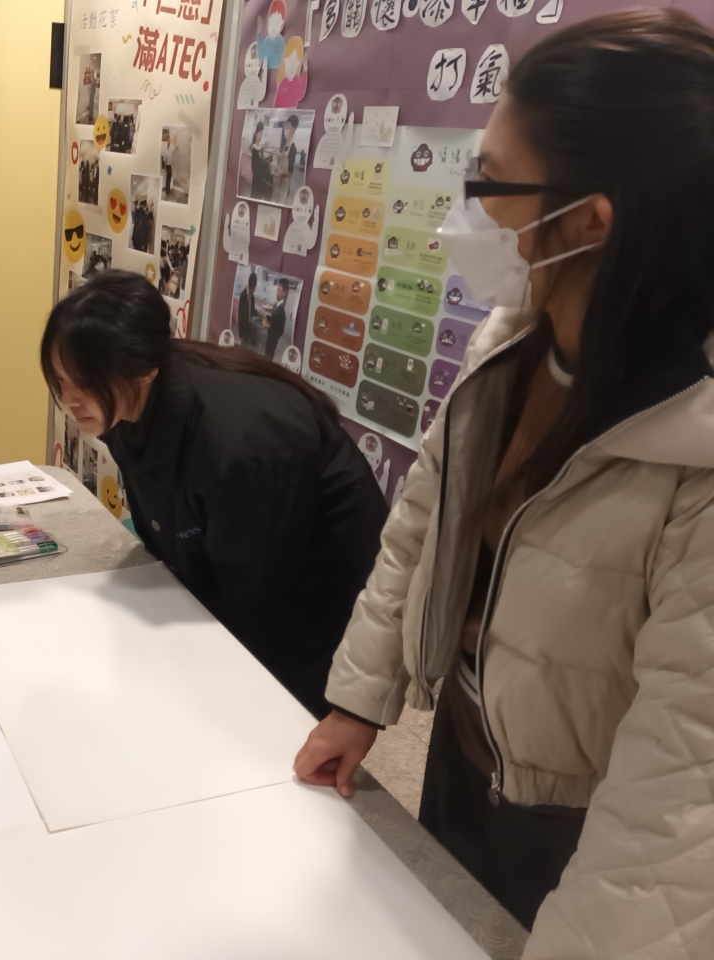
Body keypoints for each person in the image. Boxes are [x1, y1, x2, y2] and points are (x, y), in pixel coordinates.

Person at [294, 11, 714, 955]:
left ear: (591, 219)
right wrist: (360, 697)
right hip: (465, 752)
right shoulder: (512, 343)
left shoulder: (698, 450)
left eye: (491, 184)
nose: (466, 214)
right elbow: (421, 523)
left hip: (582, 828)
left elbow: (677, 805)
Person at [41, 271, 388, 716]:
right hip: (250, 560)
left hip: (317, 602)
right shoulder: (134, 399)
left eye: (86, 383)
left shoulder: (236, 447)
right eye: (61, 379)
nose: (70, 399)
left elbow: (255, 603)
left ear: (144, 369)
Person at [264, 278, 291, 360]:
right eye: (277, 290)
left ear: (284, 293)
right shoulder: (276, 304)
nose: (277, 292)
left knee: (269, 354)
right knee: (267, 352)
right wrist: (267, 316)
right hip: (271, 335)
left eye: (279, 290)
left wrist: (267, 321)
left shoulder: (281, 312)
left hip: (273, 338)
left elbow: (279, 329)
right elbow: (273, 317)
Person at [249, 121, 274, 200]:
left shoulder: (260, 147)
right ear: (256, 134)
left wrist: (268, 160)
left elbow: (261, 161)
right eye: (260, 133)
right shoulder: (254, 149)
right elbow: (255, 168)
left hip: (261, 176)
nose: (261, 136)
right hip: (257, 179)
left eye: (262, 133)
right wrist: (268, 168)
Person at [237, 270, 259, 347]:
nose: (254, 290)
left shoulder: (252, 296)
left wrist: (257, 312)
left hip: (249, 324)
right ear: (252, 287)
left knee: (249, 345)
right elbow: (241, 316)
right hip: (243, 327)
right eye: (254, 288)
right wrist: (241, 334)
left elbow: (252, 310)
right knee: (243, 346)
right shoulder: (243, 296)